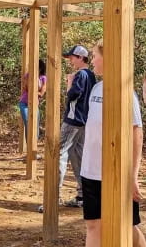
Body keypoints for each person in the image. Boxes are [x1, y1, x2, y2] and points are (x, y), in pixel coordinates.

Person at [80, 39, 146, 247]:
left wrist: (132, 176)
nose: (92, 61)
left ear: (107, 58)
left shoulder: (126, 92)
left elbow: (136, 133)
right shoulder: (96, 89)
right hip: (90, 170)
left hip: (116, 172)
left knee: (127, 225)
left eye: (95, 56)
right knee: (93, 225)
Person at [39, 45, 96, 213]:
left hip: (73, 120)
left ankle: (52, 198)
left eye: (72, 57)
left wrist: (69, 83)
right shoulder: (91, 75)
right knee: (78, 156)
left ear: (80, 57)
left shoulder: (80, 75)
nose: (70, 61)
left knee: (58, 153)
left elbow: (72, 95)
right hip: (84, 121)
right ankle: (82, 196)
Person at [18, 59, 47, 141]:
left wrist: (40, 93)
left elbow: (43, 89)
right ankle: (29, 147)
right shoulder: (27, 75)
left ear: (40, 68)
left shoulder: (43, 77)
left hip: (35, 104)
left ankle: (35, 145)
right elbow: (27, 88)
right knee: (28, 122)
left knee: (36, 124)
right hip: (24, 103)